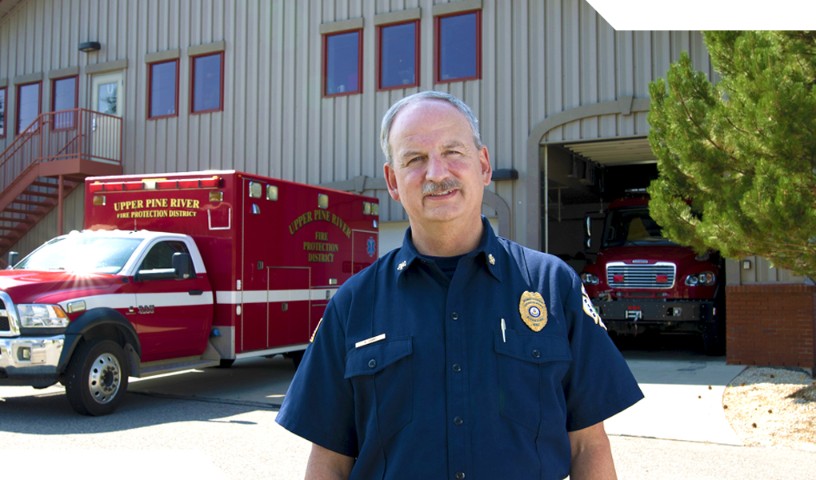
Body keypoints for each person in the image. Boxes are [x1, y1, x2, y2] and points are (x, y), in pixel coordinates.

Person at [277, 91, 643, 480]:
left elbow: (588, 445)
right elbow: (329, 462)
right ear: (393, 181)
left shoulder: (553, 287)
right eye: (415, 159)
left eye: (453, 152)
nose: (436, 173)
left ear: (483, 165)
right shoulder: (353, 304)